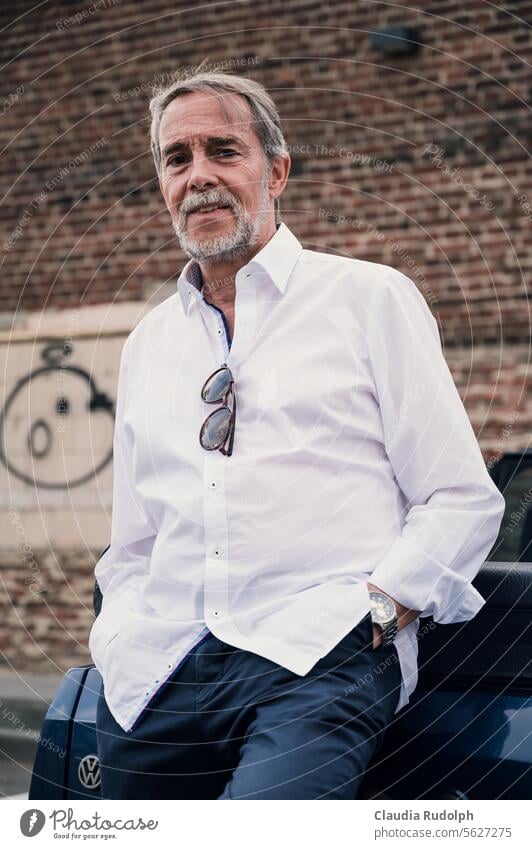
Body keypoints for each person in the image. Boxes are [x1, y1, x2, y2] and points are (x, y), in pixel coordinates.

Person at [89, 65, 505, 800]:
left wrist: (377, 612)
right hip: (161, 668)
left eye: (224, 150)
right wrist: (120, 631)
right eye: (176, 158)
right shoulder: (147, 343)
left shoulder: (368, 298)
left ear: (276, 171)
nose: (199, 176)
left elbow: (458, 497)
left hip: (319, 655)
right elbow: (135, 540)